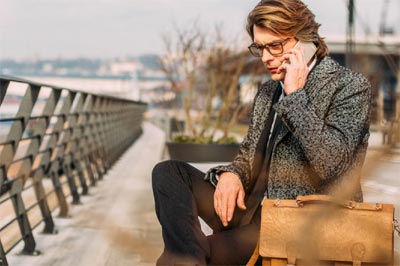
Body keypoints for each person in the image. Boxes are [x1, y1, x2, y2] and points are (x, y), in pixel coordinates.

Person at [152, 0, 371, 264]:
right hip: (249, 208)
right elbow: (248, 154)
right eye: (259, 47)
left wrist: (296, 96)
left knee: (192, 258)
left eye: (274, 46)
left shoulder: (349, 86)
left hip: (295, 222)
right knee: (168, 172)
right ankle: (186, 259)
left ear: (305, 42)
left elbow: (335, 166)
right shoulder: (268, 90)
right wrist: (232, 174)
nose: (266, 57)